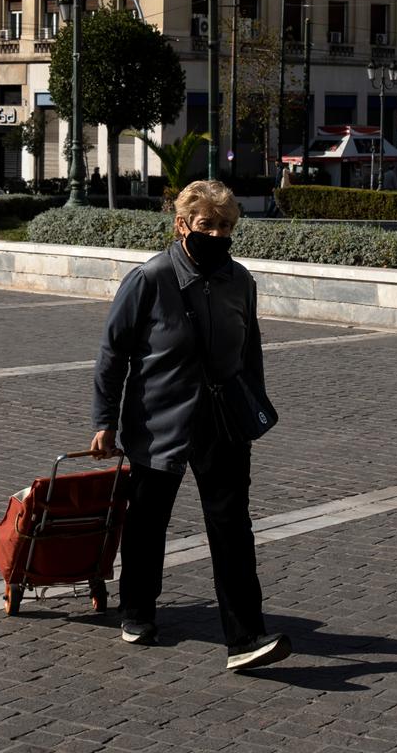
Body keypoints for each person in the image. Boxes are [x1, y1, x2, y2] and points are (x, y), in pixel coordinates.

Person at [90, 179, 290, 672]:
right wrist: (104, 422)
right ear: (182, 225)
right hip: (159, 422)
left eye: (225, 226)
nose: (217, 234)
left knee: (232, 529)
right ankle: (137, 611)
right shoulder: (150, 278)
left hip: (222, 425)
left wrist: (253, 412)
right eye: (207, 225)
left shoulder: (239, 280)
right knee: (147, 522)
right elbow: (112, 354)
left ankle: (245, 637)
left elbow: (250, 352)